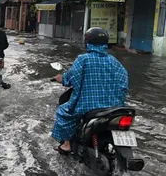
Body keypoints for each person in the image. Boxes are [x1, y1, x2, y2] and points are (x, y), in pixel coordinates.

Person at [52, 27, 129, 155]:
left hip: (89, 107)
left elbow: (72, 78)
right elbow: (124, 83)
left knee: (63, 113)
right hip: (114, 107)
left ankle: (66, 145)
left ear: (88, 42)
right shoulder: (114, 62)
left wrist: (62, 78)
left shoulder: (83, 59)